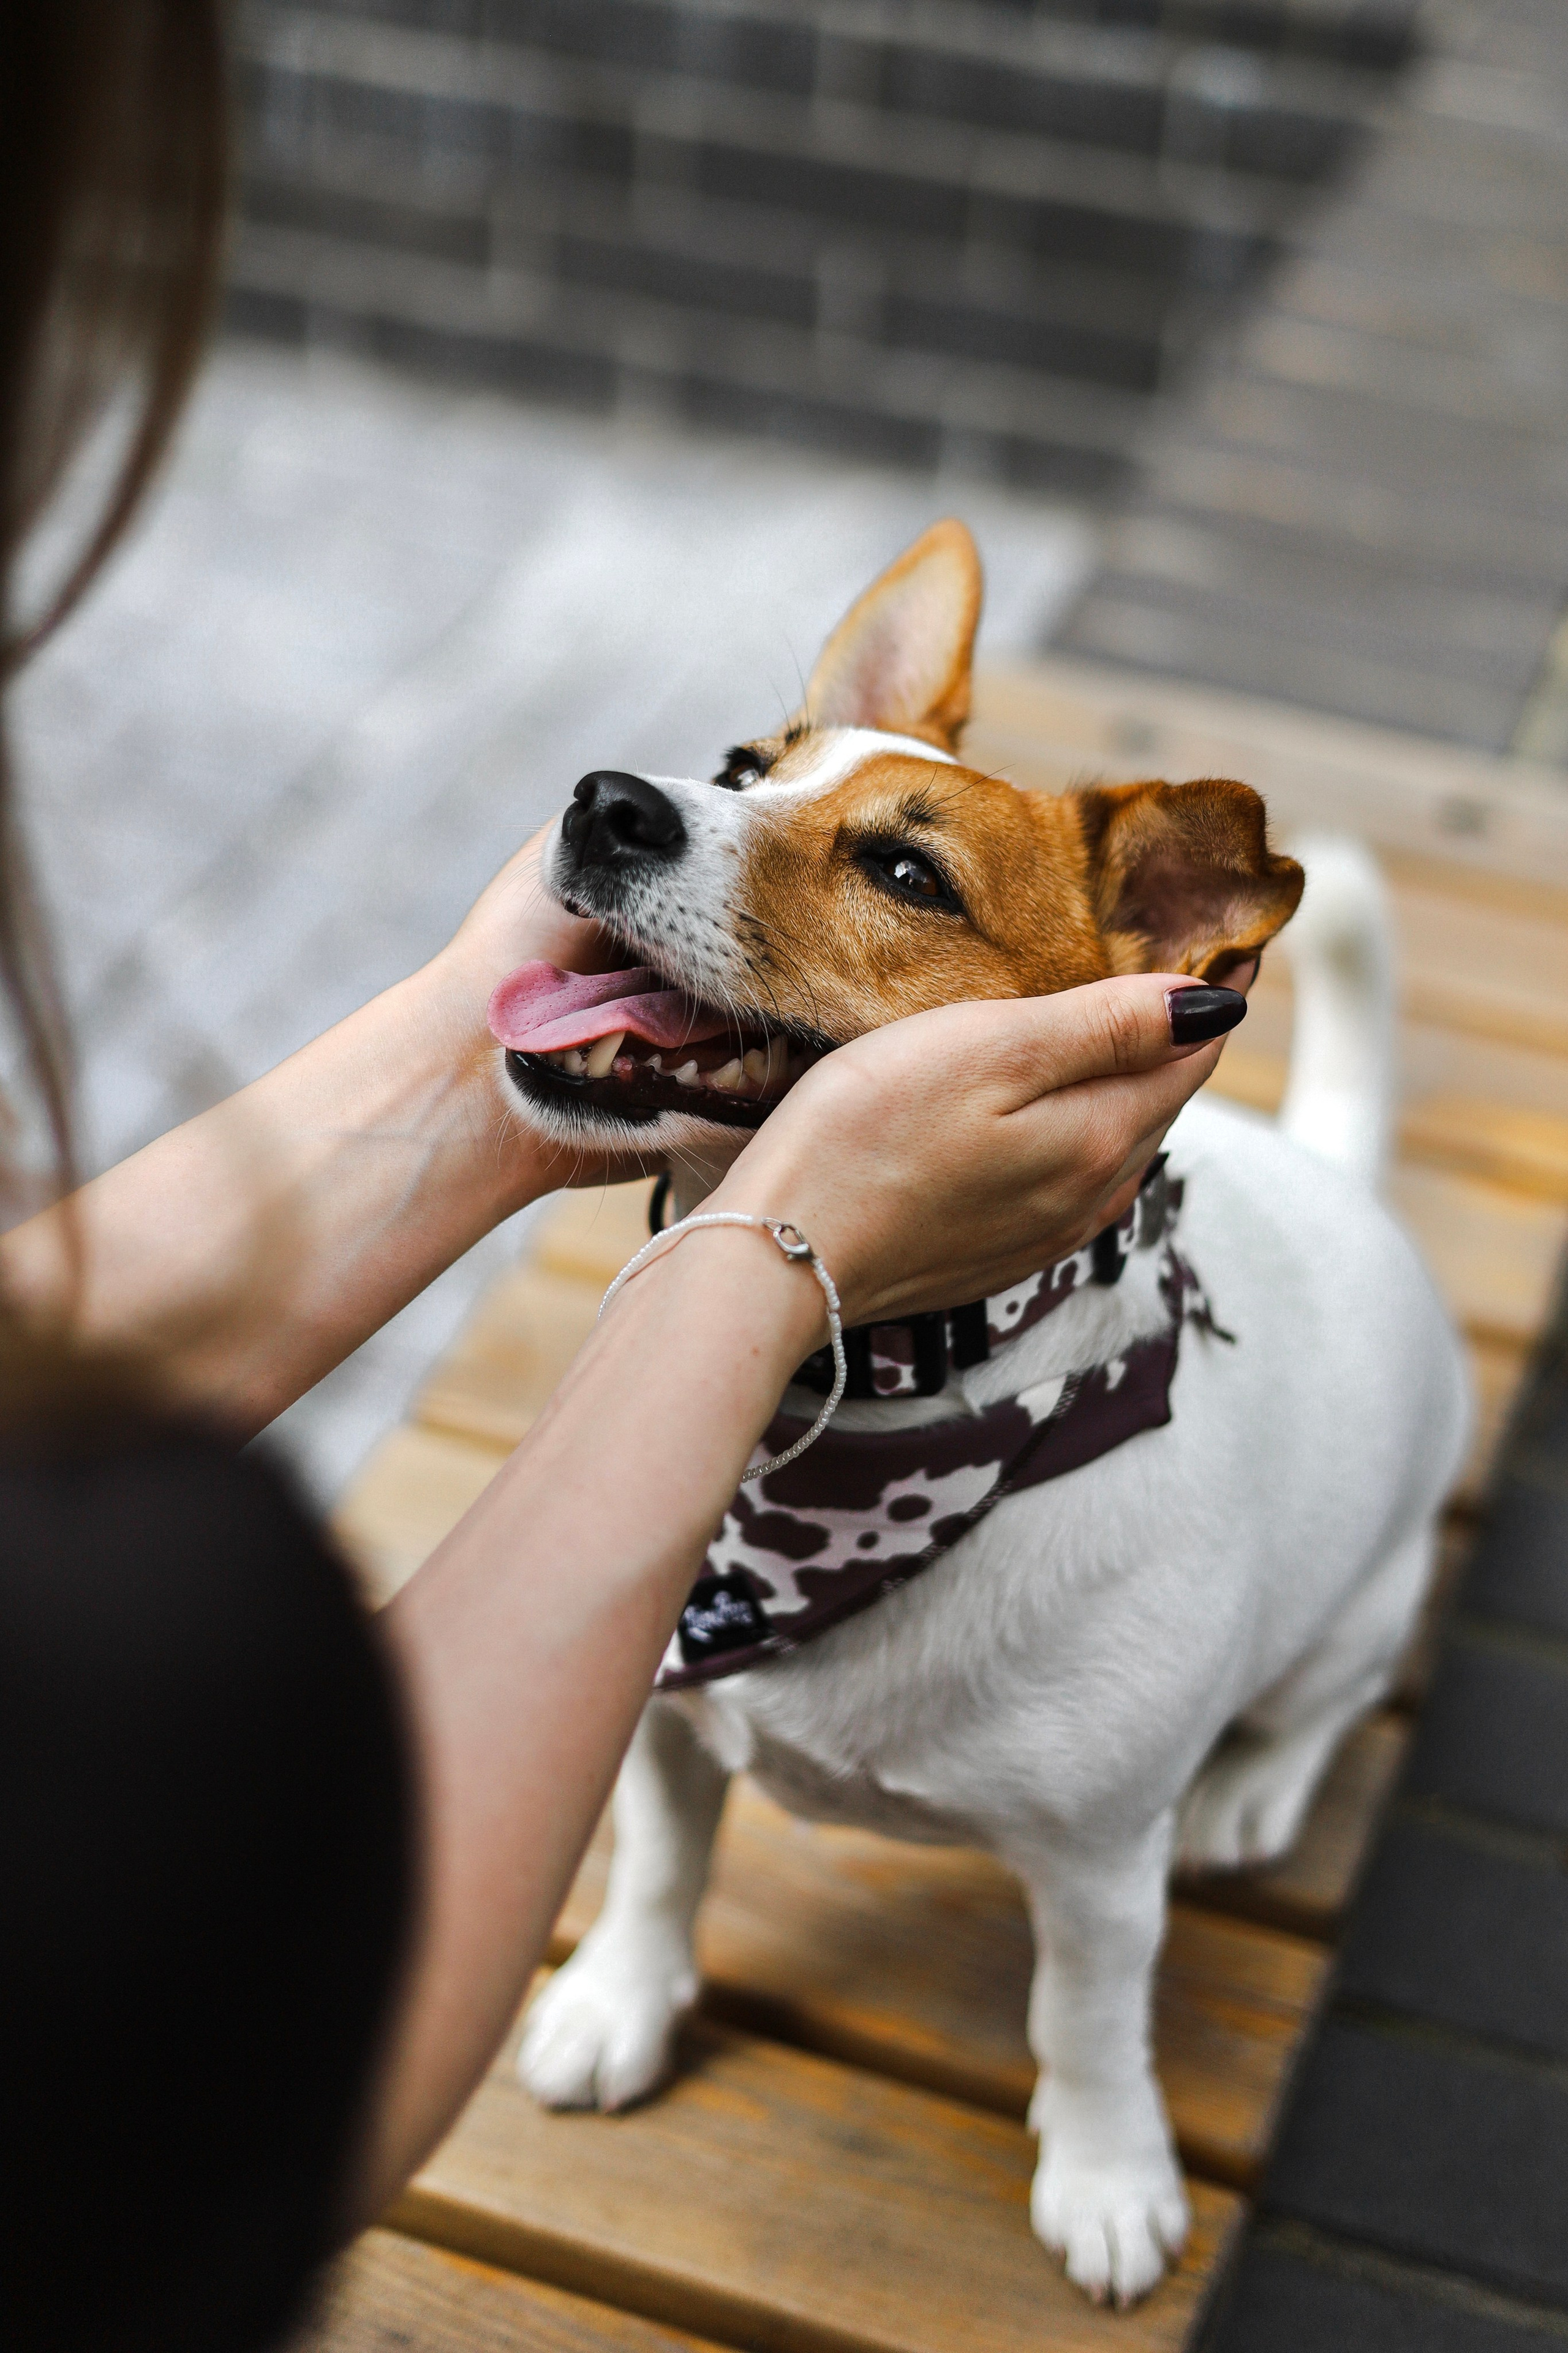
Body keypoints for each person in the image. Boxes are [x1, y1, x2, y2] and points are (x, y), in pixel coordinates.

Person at [0, 9, 1245, 2348]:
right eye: (753, 774)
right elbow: (239, 2078)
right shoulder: (145, 1656)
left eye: (874, 850)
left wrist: (519, 1073)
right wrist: (772, 1254)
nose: (682, 808)